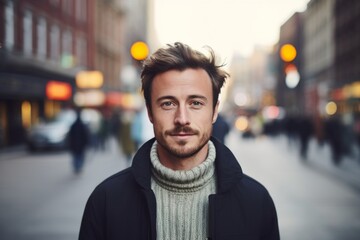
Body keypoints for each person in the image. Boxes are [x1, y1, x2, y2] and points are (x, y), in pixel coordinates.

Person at [79, 42, 280, 239]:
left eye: (195, 103)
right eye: (168, 103)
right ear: (150, 112)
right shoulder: (106, 201)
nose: (182, 118)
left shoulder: (256, 202)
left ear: (215, 110)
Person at [68, 108, 89, 174]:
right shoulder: (82, 125)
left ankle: (77, 167)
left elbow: (70, 136)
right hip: (80, 145)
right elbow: (86, 135)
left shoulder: (73, 125)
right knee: (79, 156)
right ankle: (78, 167)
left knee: (76, 156)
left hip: (75, 144)